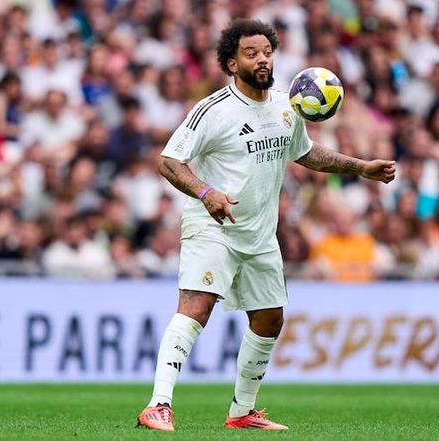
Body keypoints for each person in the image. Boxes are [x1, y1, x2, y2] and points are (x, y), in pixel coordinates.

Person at [136, 19, 396, 432]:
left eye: (267, 52)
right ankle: (158, 405)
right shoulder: (213, 110)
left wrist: (361, 167)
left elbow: (306, 153)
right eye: (251, 53)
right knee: (197, 306)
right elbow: (168, 161)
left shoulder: (286, 107)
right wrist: (206, 192)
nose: (262, 60)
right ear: (231, 63)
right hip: (213, 226)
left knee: (270, 319)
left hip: (259, 233)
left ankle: (242, 412)